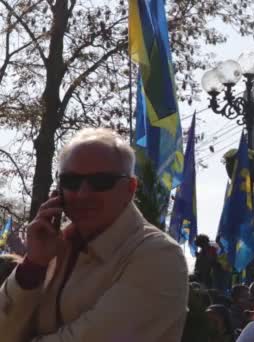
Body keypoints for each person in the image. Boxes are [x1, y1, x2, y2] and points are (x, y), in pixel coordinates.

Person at [0, 128, 189, 341]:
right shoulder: (53, 249)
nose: (83, 194)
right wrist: (33, 266)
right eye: (71, 181)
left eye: (101, 182)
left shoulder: (159, 256)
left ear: (130, 188)